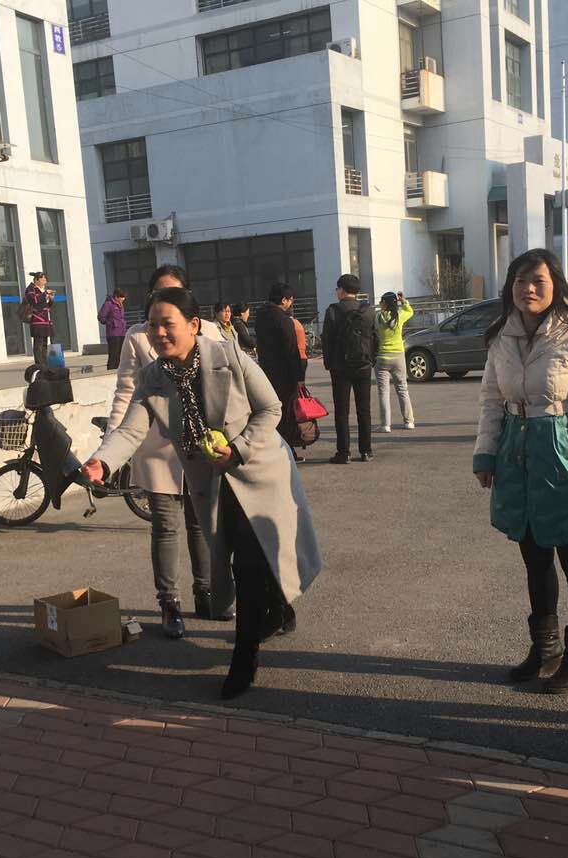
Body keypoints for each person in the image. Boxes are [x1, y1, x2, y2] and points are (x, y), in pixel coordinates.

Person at [84, 288, 321, 699]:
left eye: (167, 324)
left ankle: (243, 661)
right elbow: (131, 431)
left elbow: (271, 408)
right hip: (211, 483)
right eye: (152, 325)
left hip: (260, 471)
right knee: (244, 559)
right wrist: (102, 462)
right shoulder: (153, 378)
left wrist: (238, 448)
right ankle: (279, 611)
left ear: (194, 325)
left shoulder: (230, 355)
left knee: (251, 562)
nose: (158, 333)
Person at [472, 248, 568, 695]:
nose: (528, 289)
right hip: (517, 453)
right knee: (534, 557)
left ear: (555, 284)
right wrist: (486, 454)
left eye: (538, 280)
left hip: (565, 455)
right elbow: (491, 400)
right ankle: (545, 647)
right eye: (520, 281)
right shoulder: (503, 335)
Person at [107, 264, 228, 638]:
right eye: (158, 294)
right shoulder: (137, 337)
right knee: (165, 526)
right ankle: (169, 603)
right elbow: (126, 391)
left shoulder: (211, 332)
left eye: (174, 293)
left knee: (201, 522)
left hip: (202, 447)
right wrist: (111, 448)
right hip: (157, 445)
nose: (165, 301)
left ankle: (207, 593)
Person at [321, 274, 377, 463]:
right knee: (364, 409)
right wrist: (371, 359)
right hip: (363, 365)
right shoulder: (369, 311)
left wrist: (329, 363)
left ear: (342, 290)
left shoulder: (333, 311)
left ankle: (343, 452)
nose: (337, 292)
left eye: (337, 288)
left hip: (340, 367)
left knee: (342, 411)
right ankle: (366, 451)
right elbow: (375, 338)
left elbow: (326, 340)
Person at [254, 283, 307, 459]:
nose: (291, 303)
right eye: (290, 300)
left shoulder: (260, 316)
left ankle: (275, 449)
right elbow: (292, 350)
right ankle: (287, 450)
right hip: (284, 374)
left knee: (271, 411)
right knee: (286, 414)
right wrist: (299, 376)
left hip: (266, 371)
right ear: (284, 300)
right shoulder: (283, 320)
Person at [375, 291, 416, 432]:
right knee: (402, 389)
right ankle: (409, 422)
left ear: (384, 304)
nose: (380, 304)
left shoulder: (378, 317)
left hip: (382, 357)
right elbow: (410, 311)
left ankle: (385, 425)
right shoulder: (400, 315)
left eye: (381, 302)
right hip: (398, 356)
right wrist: (403, 300)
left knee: (383, 392)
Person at [24, 272, 55, 367]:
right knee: (38, 343)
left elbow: (47, 306)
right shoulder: (31, 289)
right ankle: (39, 364)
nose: (45, 280)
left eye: (45, 278)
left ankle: (44, 364)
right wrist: (45, 294)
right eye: (43, 279)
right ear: (37, 280)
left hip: (45, 320)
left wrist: (51, 299)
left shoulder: (43, 289)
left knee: (45, 343)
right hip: (37, 320)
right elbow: (34, 300)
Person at [99, 288, 128, 370]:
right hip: (113, 334)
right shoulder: (108, 304)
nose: (123, 299)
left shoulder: (120, 304)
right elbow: (101, 316)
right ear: (116, 296)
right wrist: (110, 323)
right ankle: (111, 369)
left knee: (120, 353)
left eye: (123, 297)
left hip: (122, 332)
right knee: (113, 353)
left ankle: (118, 369)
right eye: (121, 297)